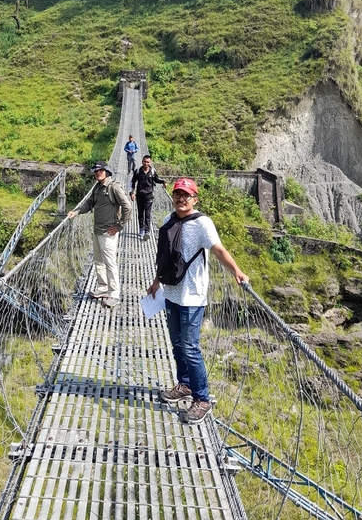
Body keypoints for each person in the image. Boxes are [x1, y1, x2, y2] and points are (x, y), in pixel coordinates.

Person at [147, 177, 249, 425]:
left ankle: (202, 399)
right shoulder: (167, 221)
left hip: (192, 296)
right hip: (171, 293)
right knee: (177, 345)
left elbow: (218, 250)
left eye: (186, 195)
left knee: (191, 348)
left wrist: (236, 271)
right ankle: (184, 385)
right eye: (177, 194)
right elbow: (164, 257)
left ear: (195, 199)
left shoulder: (203, 223)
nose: (181, 199)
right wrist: (156, 282)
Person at [67, 161, 132, 308]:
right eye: (96, 171)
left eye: (101, 170)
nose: (98, 173)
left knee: (110, 263)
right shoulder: (97, 187)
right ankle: (103, 288)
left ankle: (114, 293)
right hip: (97, 230)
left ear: (107, 171)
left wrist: (119, 226)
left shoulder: (113, 187)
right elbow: (89, 203)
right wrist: (76, 211)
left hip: (108, 232)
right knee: (98, 261)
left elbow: (127, 207)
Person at [130, 154, 166, 239]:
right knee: (140, 213)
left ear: (150, 162)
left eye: (148, 162)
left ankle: (147, 231)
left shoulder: (152, 171)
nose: (146, 163)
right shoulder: (138, 171)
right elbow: (133, 182)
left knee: (148, 213)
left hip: (149, 195)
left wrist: (163, 181)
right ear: (142, 161)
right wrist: (131, 192)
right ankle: (141, 229)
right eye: (144, 162)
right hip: (140, 195)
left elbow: (156, 179)